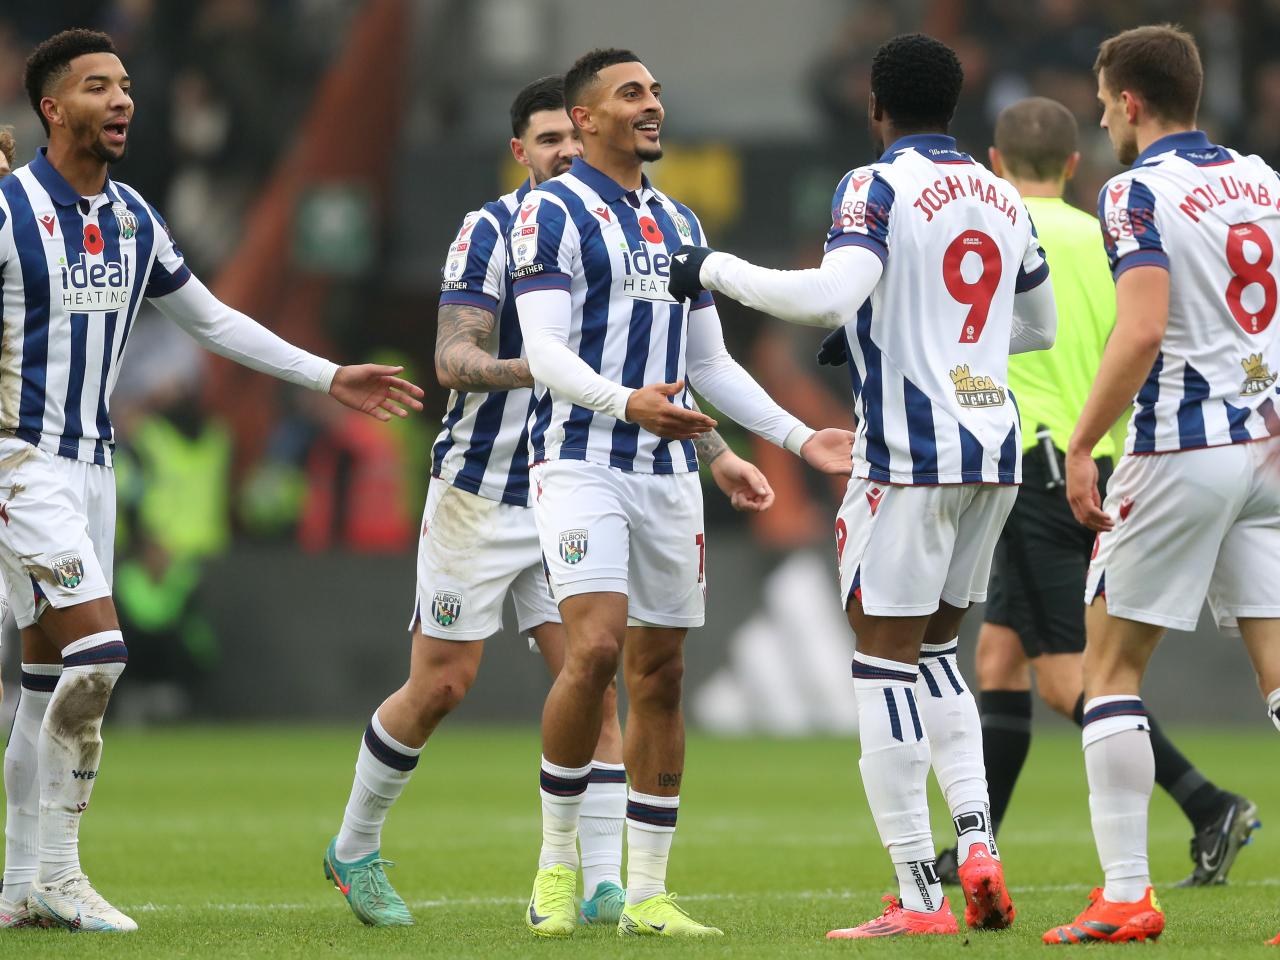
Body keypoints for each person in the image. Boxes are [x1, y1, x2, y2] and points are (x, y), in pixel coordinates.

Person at [320, 74, 776, 929]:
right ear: (520, 150)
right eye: (546, 143)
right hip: (487, 488)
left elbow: (667, 367)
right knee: (442, 686)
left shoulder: (638, 224)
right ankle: (355, 845)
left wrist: (715, 450)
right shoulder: (493, 230)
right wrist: (547, 362)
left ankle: (599, 880)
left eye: (569, 140)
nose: (563, 154)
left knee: (595, 668)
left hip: (584, 479)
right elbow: (454, 357)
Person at [0, 29, 423, 932]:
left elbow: (217, 323)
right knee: (101, 655)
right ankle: (62, 875)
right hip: (18, 463)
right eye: (96, 87)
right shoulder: (6, 211)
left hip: (93, 468)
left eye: (124, 85)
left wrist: (328, 375)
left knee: (44, 683)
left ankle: (16, 888)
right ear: (51, 108)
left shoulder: (131, 219)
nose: (122, 101)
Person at [670, 33, 1058, 939]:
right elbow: (1033, 326)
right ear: (955, 107)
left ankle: (921, 898)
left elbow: (824, 294)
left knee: (881, 666)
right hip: (992, 450)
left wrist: (711, 268)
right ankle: (978, 844)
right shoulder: (1001, 193)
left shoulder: (874, 184)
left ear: (875, 108)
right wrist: (944, 341)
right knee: (935, 658)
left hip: (911, 457)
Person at [511, 48, 855, 939]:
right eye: (632, 94)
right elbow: (545, 351)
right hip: (579, 460)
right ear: (584, 121)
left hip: (667, 474)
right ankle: (556, 865)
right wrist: (626, 401)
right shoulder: (547, 213)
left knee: (659, 673)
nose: (653, 104)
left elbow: (707, 364)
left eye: (656, 90)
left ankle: (650, 892)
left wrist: (787, 436)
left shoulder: (678, 222)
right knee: (591, 651)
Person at [929, 97, 1255, 889]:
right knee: (1000, 658)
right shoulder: (1109, 236)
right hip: (1112, 460)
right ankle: (975, 851)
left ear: (994, 166)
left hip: (1040, 470)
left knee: (1073, 678)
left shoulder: (995, 233)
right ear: (1074, 166)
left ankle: (1207, 803)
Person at [1045, 25, 1280, 946]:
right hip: (1268, 448)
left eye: (1105, 103)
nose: (1103, 118)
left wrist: (1080, 443)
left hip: (1182, 448)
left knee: (1107, 674)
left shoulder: (1134, 192)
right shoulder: (1263, 178)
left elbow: (1141, 331)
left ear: (1130, 104)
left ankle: (1127, 895)